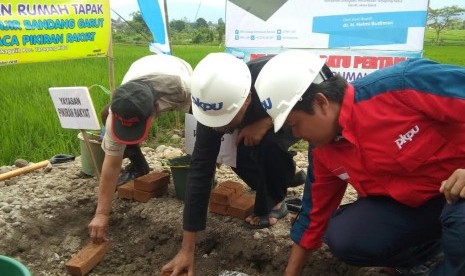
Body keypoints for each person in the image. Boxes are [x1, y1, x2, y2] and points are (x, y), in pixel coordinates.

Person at [254, 49, 465, 275]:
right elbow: (314, 213)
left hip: (459, 199)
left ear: (320, 102)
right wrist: (291, 273)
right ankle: (429, 256)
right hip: (419, 208)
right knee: (346, 237)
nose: (294, 135)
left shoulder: (403, 86)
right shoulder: (323, 150)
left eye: (294, 125)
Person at [162, 52, 306, 275]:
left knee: (269, 143)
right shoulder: (211, 106)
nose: (218, 129)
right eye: (214, 123)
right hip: (250, 113)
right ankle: (287, 175)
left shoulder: (272, 78)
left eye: (224, 121)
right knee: (235, 147)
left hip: (286, 107)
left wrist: (266, 122)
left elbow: (306, 93)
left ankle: (277, 202)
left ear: (247, 99)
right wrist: (187, 249)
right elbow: (200, 172)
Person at [88, 54, 192, 243]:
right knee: (105, 117)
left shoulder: (184, 89)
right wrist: (101, 214)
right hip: (140, 70)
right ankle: (139, 166)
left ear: (155, 111)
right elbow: (111, 165)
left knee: (199, 129)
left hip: (176, 71)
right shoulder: (119, 108)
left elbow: (206, 119)